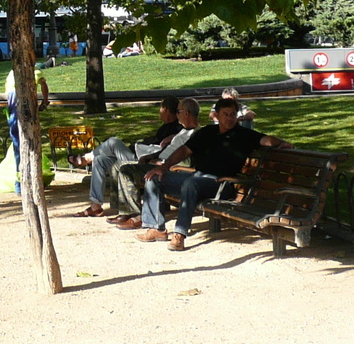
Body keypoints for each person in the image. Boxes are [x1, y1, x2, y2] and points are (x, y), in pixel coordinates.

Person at [137, 95, 293, 251]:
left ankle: (180, 234)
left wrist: (281, 142)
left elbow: (266, 140)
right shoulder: (207, 132)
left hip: (221, 183)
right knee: (154, 178)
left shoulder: (244, 135)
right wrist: (163, 167)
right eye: (226, 114)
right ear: (217, 115)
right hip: (196, 177)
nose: (230, 118)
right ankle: (156, 228)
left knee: (190, 184)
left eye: (232, 114)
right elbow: (184, 150)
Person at [72, 97, 184, 217]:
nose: (159, 111)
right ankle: (95, 206)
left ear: (166, 109)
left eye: (160, 108)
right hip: (137, 155)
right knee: (100, 160)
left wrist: (172, 137)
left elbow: (169, 147)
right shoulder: (165, 127)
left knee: (113, 142)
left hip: (143, 161)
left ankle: (86, 158)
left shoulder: (177, 129)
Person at [108, 97, 204, 228]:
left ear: (186, 113)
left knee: (126, 171)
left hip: (167, 169)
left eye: (178, 112)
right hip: (157, 162)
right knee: (117, 166)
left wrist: (162, 163)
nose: (176, 115)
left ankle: (134, 215)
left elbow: (187, 160)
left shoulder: (196, 134)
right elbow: (168, 149)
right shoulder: (183, 130)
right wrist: (150, 156)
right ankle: (122, 208)